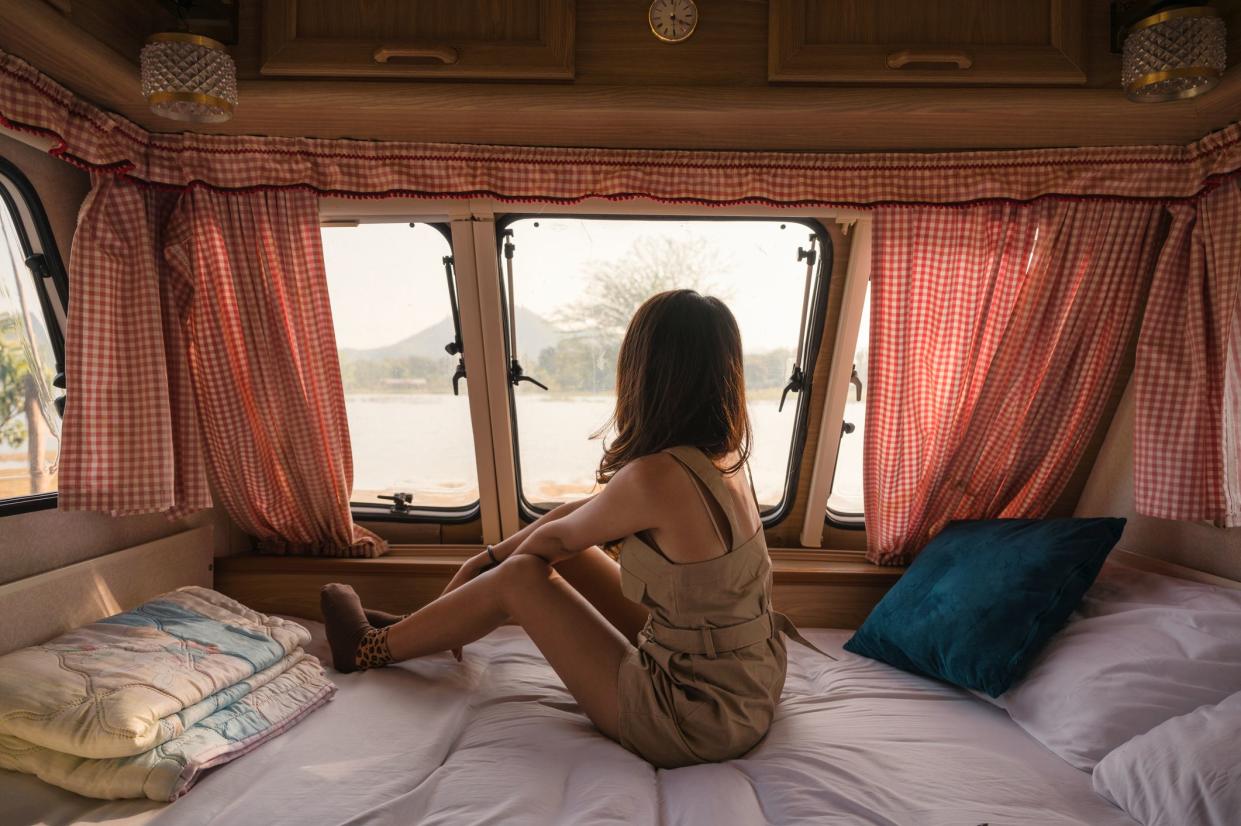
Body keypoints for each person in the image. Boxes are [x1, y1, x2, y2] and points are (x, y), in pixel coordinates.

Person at [320, 289, 828, 768]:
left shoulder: (655, 475)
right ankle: (414, 626)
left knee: (520, 577)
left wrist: (489, 565)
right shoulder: (724, 462)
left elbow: (551, 543)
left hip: (691, 720)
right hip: (745, 688)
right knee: (558, 553)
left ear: (644, 373)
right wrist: (484, 560)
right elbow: (582, 513)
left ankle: (366, 648)